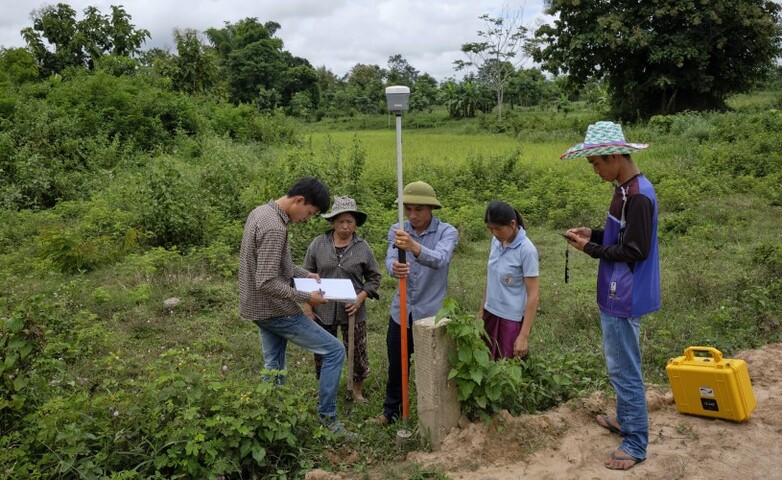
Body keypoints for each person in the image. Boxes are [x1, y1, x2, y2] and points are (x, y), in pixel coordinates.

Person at [561, 121, 660, 471]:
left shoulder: (638, 196)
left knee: (624, 369)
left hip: (626, 294)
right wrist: (595, 233)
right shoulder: (623, 190)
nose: (595, 170)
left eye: (597, 163)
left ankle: (635, 441)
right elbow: (621, 236)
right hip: (616, 290)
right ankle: (625, 418)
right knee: (619, 363)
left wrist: (590, 248)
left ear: (616, 156)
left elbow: (634, 249)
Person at [238, 176, 352, 435]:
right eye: (309, 213)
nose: (307, 219)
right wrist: (307, 298)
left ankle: (270, 418)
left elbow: (279, 266)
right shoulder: (275, 228)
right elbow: (266, 281)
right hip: (274, 309)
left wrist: (305, 274)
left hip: (255, 308)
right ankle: (328, 421)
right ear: (299, 200)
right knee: (334, 351)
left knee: (274, 364)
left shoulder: (262, 212)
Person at [373, 181, 459, 425]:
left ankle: (433, 415)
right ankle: (391, 412)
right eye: (408, 209)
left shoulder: (447, 232)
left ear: (431, 209)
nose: (412, 215)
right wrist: (394, 267)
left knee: (433, 367)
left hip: (432, 315)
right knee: (397, 365)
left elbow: (440, 259)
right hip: (401, 312)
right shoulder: (397, 230)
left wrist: (414, 247)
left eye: (418, 209)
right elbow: (390, 259)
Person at [303, 196, 382, 403]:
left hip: (352, 309)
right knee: (322, 351)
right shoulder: (318, 244)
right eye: (340, 221)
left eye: (350, 221)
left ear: (356, 224)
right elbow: (306, 274)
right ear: (332, 222)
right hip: (322, 308)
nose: (345, 226)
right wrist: (307, 307)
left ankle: (356, 391)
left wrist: (361, 297)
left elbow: (375, 277)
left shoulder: (363, 247)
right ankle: (325, 390)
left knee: (356, 351)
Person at [478, 201, 540, 360]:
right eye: (490, 229)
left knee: (507, 367)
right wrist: (481, 310)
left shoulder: (526, 250)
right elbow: (491, 278)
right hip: (490, 312)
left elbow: (533, 295)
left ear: (512, 224)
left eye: (498, 228)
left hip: (510, 319)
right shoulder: (496, 242)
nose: (494, 233)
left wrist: (523, 336)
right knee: (485, 361)